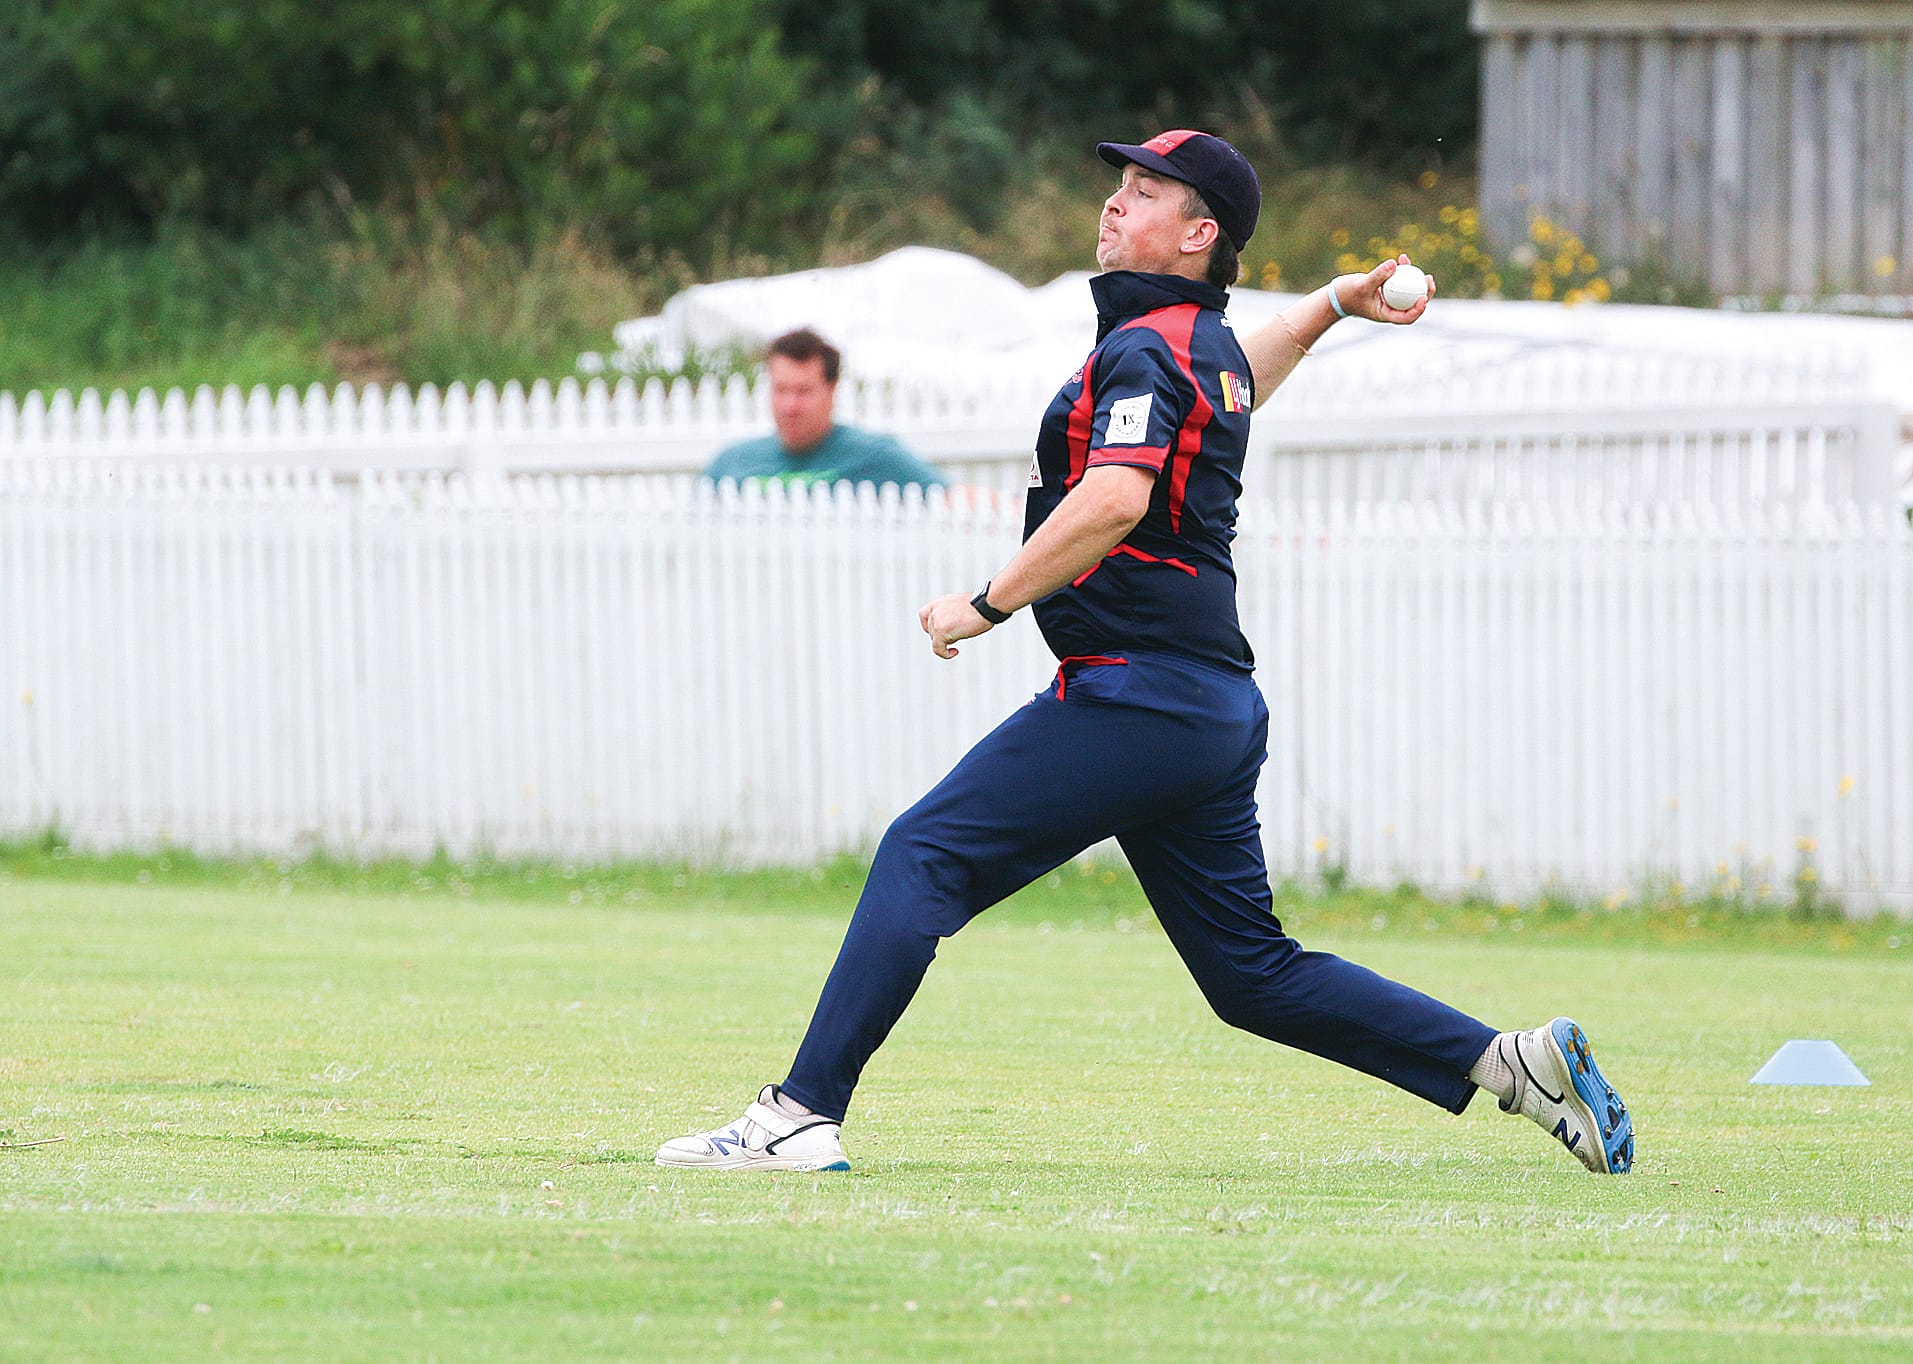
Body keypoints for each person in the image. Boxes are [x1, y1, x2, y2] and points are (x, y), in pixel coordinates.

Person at [658, 130, 1634, 1176]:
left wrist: (983, 603)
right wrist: (1333, 304)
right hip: (1205, 705)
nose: (1113, 206)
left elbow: (1116, 495)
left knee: (922, 853)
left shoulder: (1145, 347)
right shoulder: (1187, 344)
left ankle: (797, 1113)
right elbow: (1236, 379)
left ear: (1197, 234)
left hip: (1136, 694)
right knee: (1249, 975)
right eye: (1117, 187)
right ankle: (1508, 1063)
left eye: (1142, 192)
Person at [701, 327, 948, 492]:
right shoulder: (730, 465)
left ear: (831, 391)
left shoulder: (876, 457)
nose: (790, 406)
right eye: (781, 390)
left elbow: (955, 498)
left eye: (804, 391)